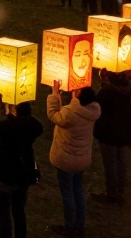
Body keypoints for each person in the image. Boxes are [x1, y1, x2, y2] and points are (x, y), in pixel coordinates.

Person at [0, 95, 43, 238]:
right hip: (24, 175)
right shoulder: (32, 126)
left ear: (15, 110)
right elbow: (35, 127)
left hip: (5, 175)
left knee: (4, 214)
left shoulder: (7, 127)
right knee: (19, 211)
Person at [46, 81, 101, 235]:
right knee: (78, 190)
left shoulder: (71, 113)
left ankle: (69, 227)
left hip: (66, 160)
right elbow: (70, 111)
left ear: (78, 96)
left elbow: (53, 115)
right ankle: (79, 225)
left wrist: (54, 95)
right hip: (81, 158)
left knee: (67, 193)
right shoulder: (92, 110)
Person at [92, 69, 131, 205]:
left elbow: (96, 109)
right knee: (121, 163)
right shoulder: (127, 88)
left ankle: (112, 194)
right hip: (124, 132)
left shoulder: (106, 92)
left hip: (109, 134)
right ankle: (120, 191)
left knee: (110, 164)